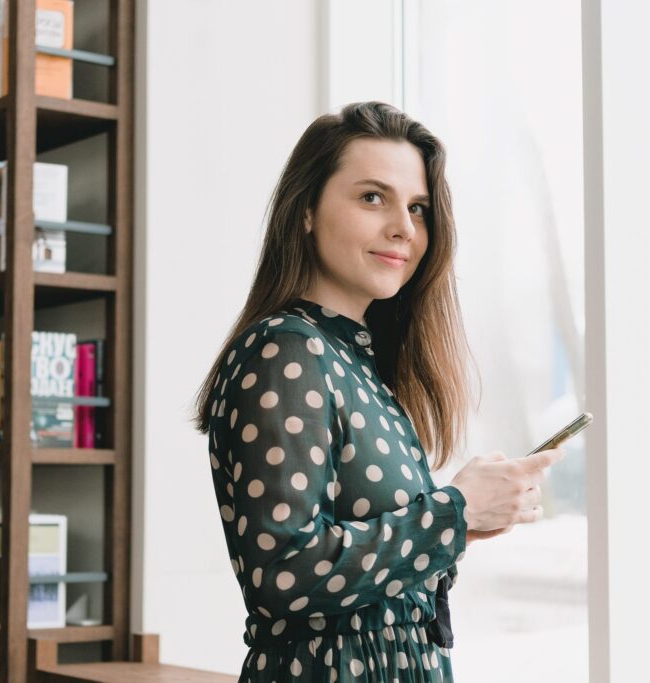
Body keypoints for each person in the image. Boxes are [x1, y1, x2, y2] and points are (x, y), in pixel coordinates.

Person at [192, 101, 564, 682]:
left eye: (417, 207)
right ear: (307, 210)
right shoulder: (287, 350)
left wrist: (465, 518)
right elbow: (282, 576)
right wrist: (452, 513)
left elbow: (373, 578)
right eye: (373, 198)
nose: (404, 228)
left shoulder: (355, 360)